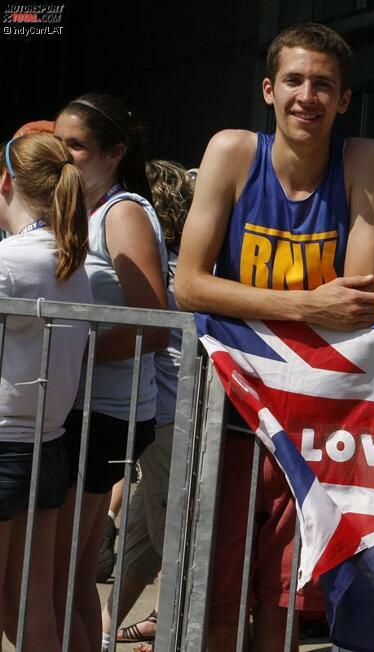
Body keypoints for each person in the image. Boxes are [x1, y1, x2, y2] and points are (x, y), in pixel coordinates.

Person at [173, 22, 374, 649]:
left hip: (316, 419)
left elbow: (360, 299)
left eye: (324, 85)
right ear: (269, 89)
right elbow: (188, 285)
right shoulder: (234, 151)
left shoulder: (363, 160)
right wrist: (305, 303)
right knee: (215, 595)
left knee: (284, 603)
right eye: (294, 80)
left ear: (344, 100)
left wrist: (262, 306)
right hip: (230, 409)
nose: (308, 96)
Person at [52, 93, 170, 652]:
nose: (63, 155)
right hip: (77, 409)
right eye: (58, 142)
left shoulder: (121, 213)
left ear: (115, 152)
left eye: (75, 145)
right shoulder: (81, 211)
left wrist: (63, 353)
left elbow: (154, 328)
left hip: (105, 415)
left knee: (58, 569)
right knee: (62, 570)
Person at [0, 134, 92, 649]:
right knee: (31, 599)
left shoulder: (10, 261)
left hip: (7, 441)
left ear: (6, 181)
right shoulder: (69, 258)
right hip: (47, 443)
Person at [101, 160, 195, 650]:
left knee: (171, 535)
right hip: (160, 412)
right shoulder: (177, 264)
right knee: (144, 529)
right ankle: (104, 632)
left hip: (169, 414)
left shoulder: (159, 267)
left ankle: (178, 635)